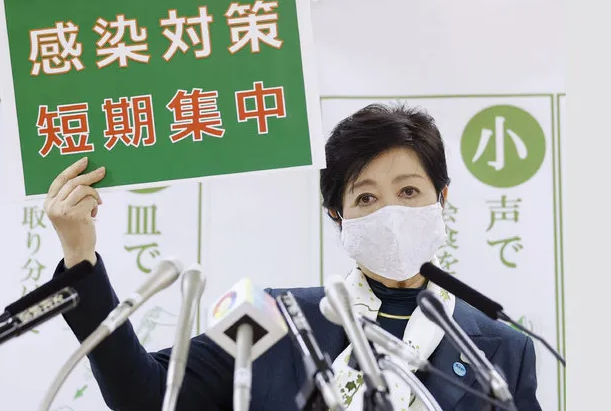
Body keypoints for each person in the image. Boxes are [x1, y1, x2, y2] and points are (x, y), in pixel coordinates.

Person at [45, 103, 541, 411]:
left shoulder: (501, 348)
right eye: (366, 198)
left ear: (442, 198)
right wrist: (79, 253)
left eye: (409, 191)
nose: (390, 212)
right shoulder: (270, 316)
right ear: (337, 213)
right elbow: (149, 396)